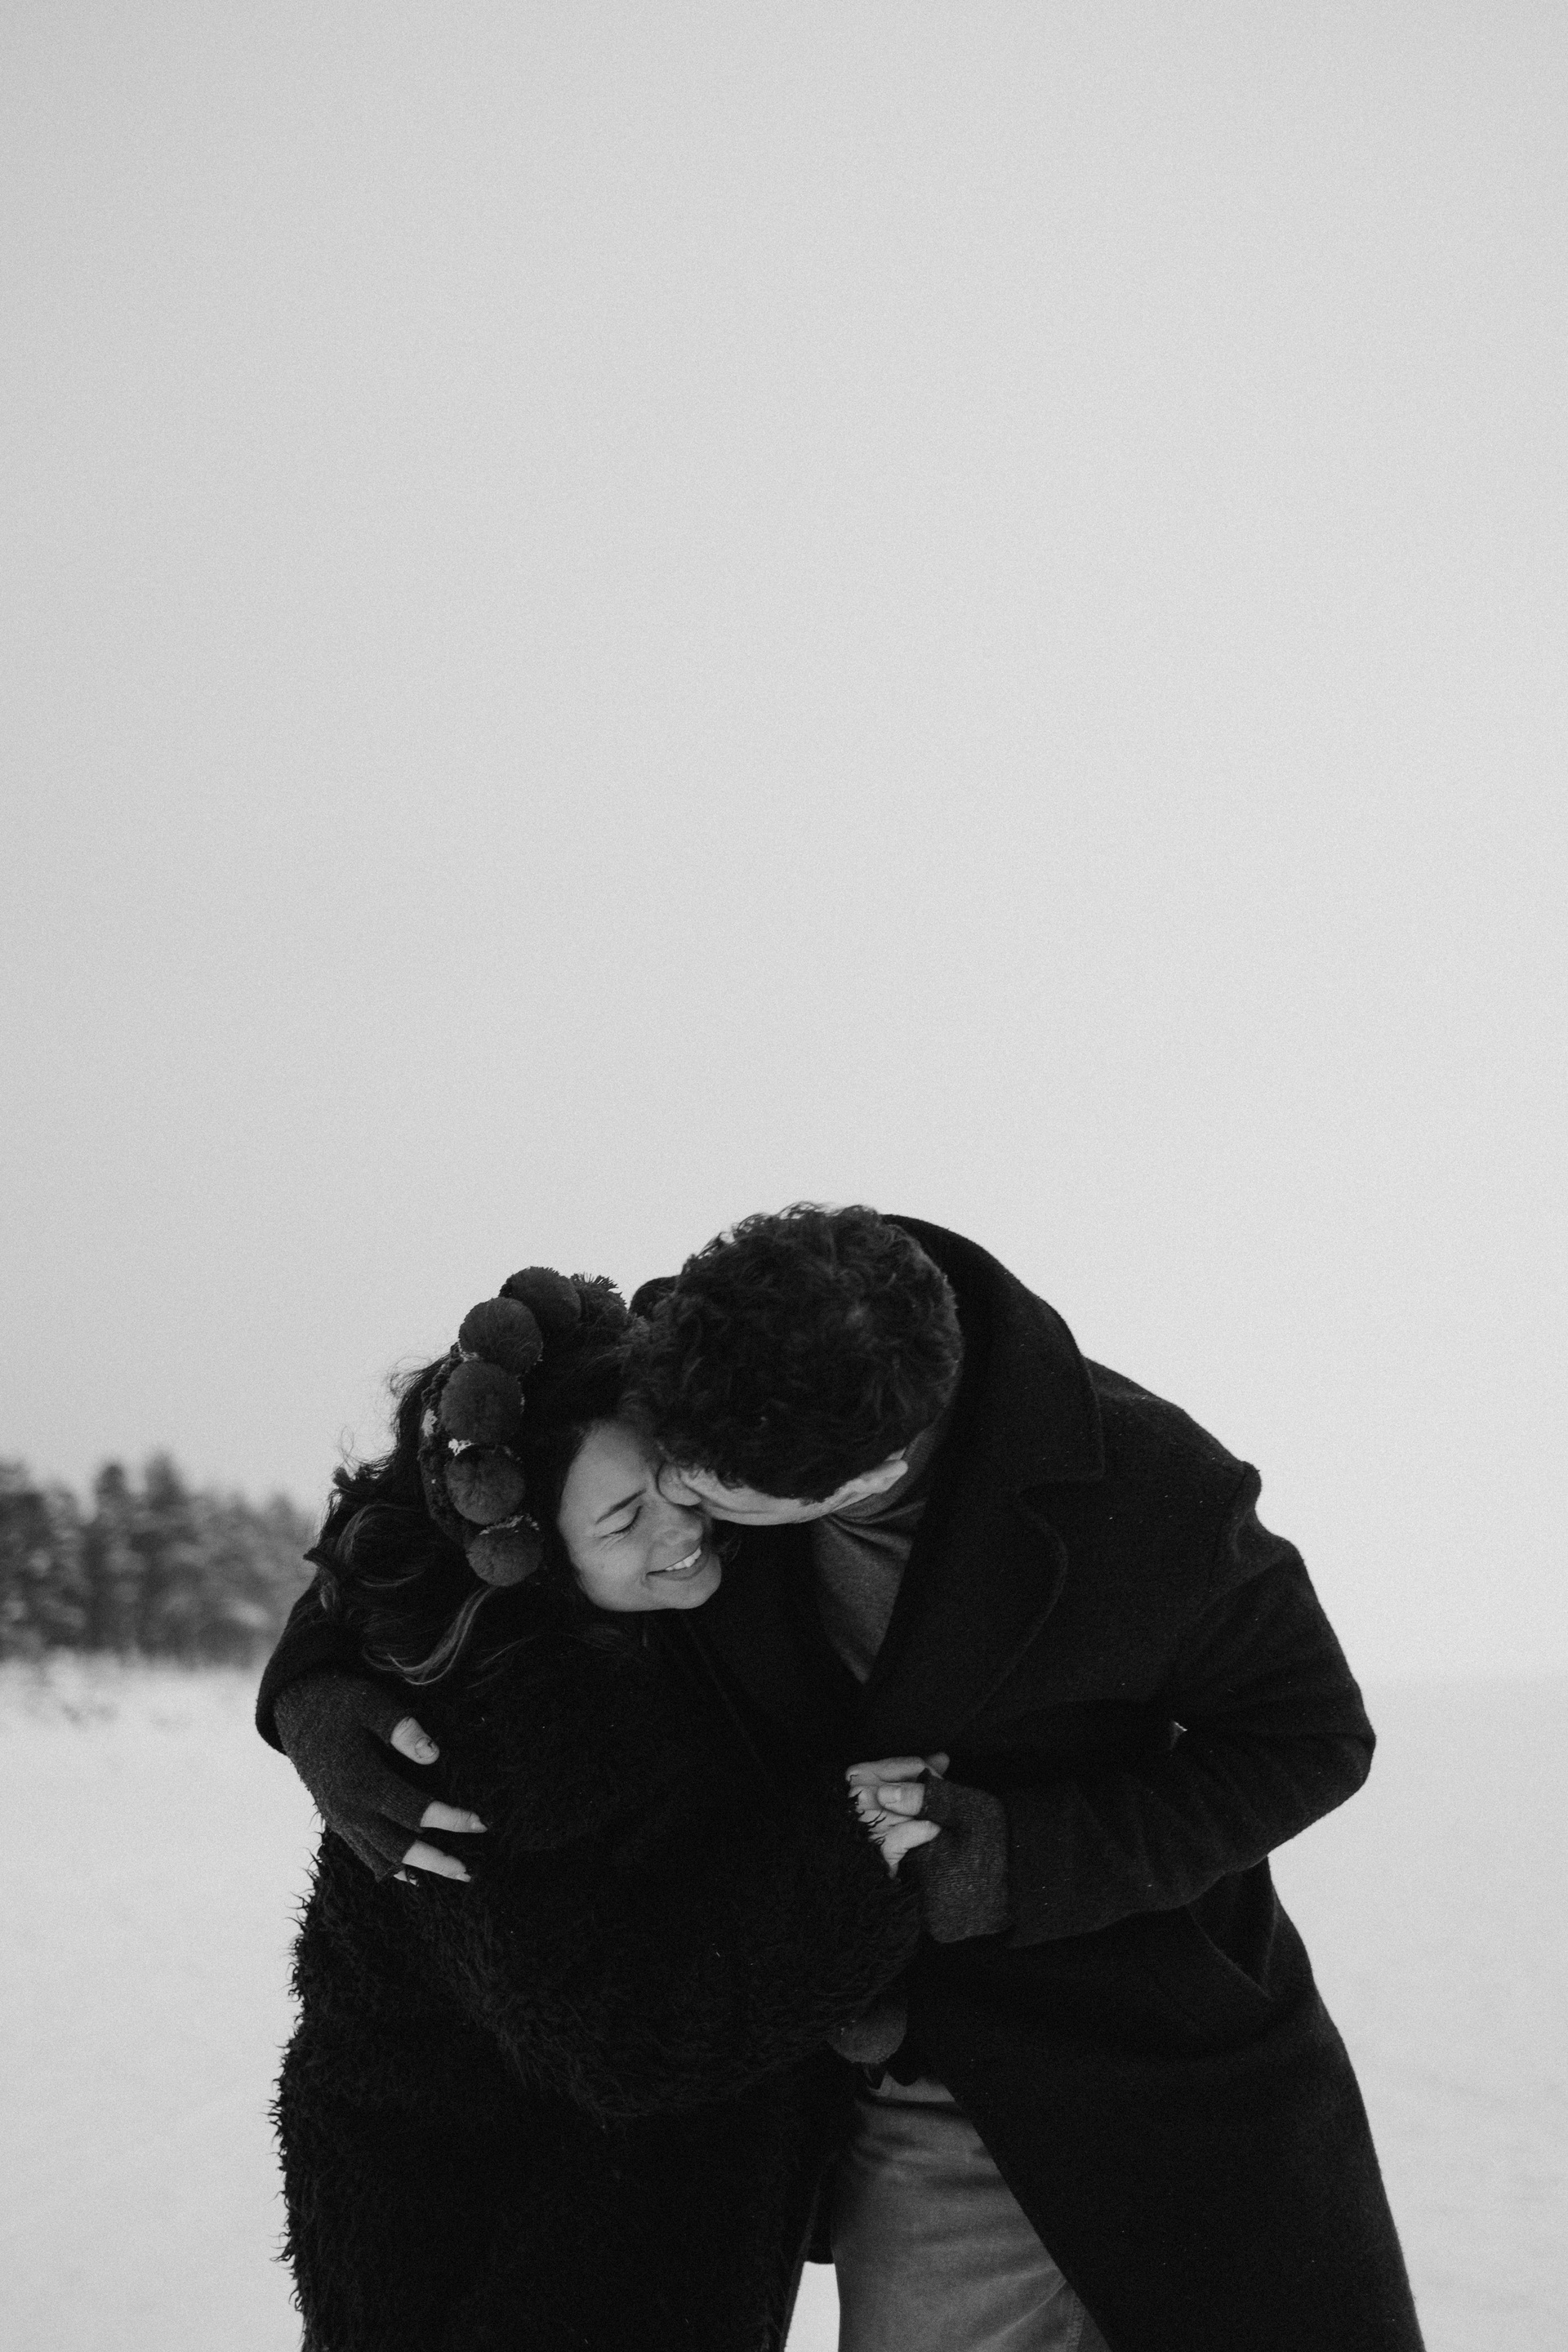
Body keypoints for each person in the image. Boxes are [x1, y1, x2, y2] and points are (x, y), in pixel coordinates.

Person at [262, 1208, 1428, 2352]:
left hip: (1147, 2050)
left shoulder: (1158, 1498)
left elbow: (1311, 1736)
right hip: (899, 2095)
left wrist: (1021, 1857)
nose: (685, 1491)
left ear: (862, 1473)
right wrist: (312, 1681)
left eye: (711, 1485)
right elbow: (468, 1471)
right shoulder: (714, 1354)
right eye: (662, 1461)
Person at [272, 1267, 935, 2352]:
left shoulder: (658, 1610)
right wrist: (858, 1861)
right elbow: (621, 2037)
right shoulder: (489, 1739)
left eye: (675, 1484)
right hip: (495, 2254)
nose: (680, 1531)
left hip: (622, 2220)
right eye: (624, 1520)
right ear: (528, 1552)